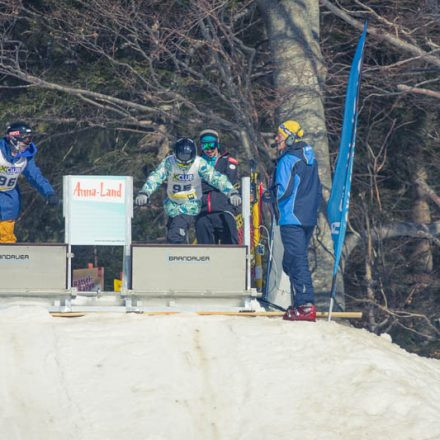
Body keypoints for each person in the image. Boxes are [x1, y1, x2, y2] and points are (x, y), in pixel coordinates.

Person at [134, 137, 241, 244]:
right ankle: (180, 255)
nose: (185, 165)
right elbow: (156, 177)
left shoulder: (199, 163)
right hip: (176, 204)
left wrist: (232, 192)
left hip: (193, 203)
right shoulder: (169, 163)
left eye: (188, 162)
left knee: (183, 233)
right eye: (181, 161)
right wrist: (145, 193)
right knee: (174, 234)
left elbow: (216, 178)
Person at [271, 120, 322, 321]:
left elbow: (282, 191)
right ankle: (298, 302)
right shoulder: (311, 158)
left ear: (291, 137)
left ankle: (306, 305)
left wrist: (269, 196)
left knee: (297, 260)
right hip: (307, 217)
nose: (276, 139)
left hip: (291, 217)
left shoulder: (288, 160)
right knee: (290, 261)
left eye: (280, 135)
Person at [0, 121, 58, 243]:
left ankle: (6, 259)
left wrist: (49, 193)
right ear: (14, 138)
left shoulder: (25, 157)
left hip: (8, 198)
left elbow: (35, 176)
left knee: (5, 235)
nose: (28, 143)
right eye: (26, 139)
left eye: (30, 139)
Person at [195, 129, 240, 244]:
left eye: (212, 145)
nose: (209, 150)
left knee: (229, 245)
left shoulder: (228, 161)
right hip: (203, 211)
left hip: (223, 209)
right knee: (205, 249)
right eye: (205, 146)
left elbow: (230, 181)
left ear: (218, 143)